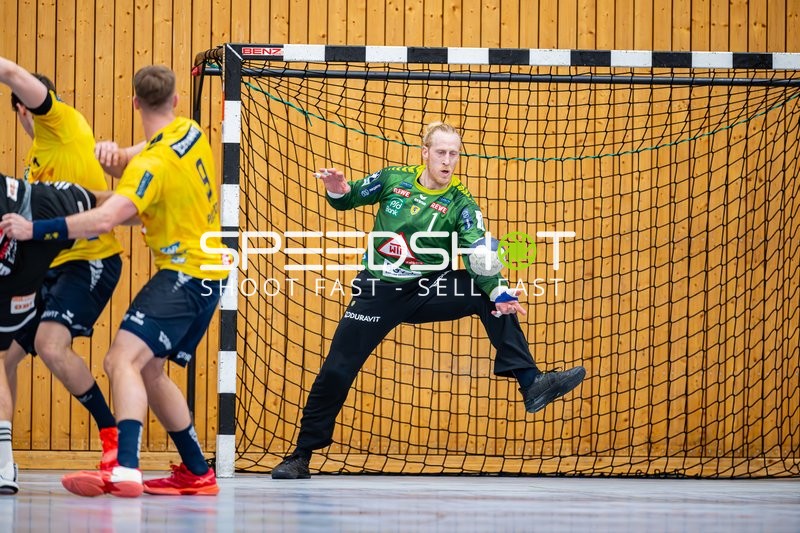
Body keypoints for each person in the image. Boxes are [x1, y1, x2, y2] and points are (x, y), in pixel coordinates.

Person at [270, 122, 587, 479]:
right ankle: (301, 456)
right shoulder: (394, 179)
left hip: (427, 289)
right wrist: (337, 188)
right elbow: (349, 197)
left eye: (454, 153)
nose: (448, 160)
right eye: (441, 152)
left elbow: (477, 251)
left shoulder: (461, 203)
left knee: (487, 295)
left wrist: (500, 292)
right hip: (379, 290)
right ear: (425, 153)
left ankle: (531, 383)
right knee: (337, 369)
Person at [1, 65, 228, 498]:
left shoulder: (149, 166)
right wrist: (118, 155)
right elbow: (145, 149)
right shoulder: (190, 131)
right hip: (206, 274)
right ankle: (197, 471)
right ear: (175, 101)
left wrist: (35, 229)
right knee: (149, 369)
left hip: (184, 271)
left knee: (119, 360)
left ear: (135, 103)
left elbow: (108, 217)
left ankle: (124, 467)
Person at [0, 56, 123, 483]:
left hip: (90, 259)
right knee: (4, 355)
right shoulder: (37, 156)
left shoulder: (61, 122)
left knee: (51, 346)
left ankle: (112, 439)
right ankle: (4, 454)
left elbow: (15, 76)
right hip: (51, 267)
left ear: (23, 109)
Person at [0, 174, 100, 493]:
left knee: (46, 348)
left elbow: (110, 206)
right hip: (27, 270)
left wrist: (152, 207)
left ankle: (3, 465)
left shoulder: (43, 204)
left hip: (50, 258)